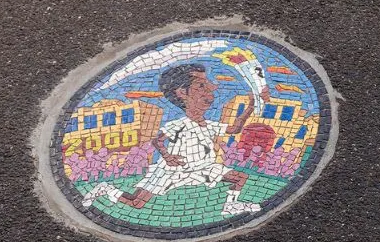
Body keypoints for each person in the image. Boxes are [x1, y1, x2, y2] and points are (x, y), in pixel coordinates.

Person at [82, 63, 269, 218]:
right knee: (136, 203)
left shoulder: (208, 124)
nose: (212, 89)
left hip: (202, 166)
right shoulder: (180, 124)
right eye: (201, 86)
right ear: (182, 93)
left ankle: (230, 205)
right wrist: (167, 156)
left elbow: (235, 129)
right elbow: (158, 140)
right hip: (171, 171)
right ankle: (105, 188)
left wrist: (251, 105)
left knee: (240, 177)